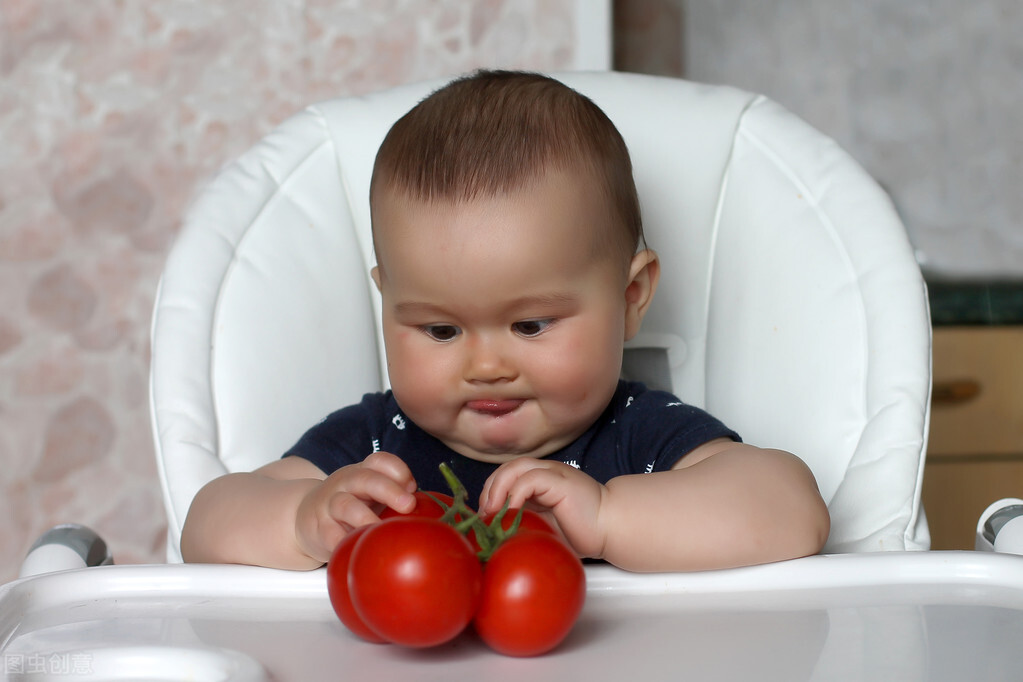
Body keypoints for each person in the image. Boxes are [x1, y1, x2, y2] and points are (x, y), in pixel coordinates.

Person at [180, 70, 830, 572]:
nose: (486, 366)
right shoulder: (376, 449)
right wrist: (300, 520)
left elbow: (790, 510)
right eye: (439, 330)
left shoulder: (639, 441)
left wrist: (607, 519)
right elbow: (208, 522)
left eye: (530, 326)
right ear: (388, 304)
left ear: (630, 297)